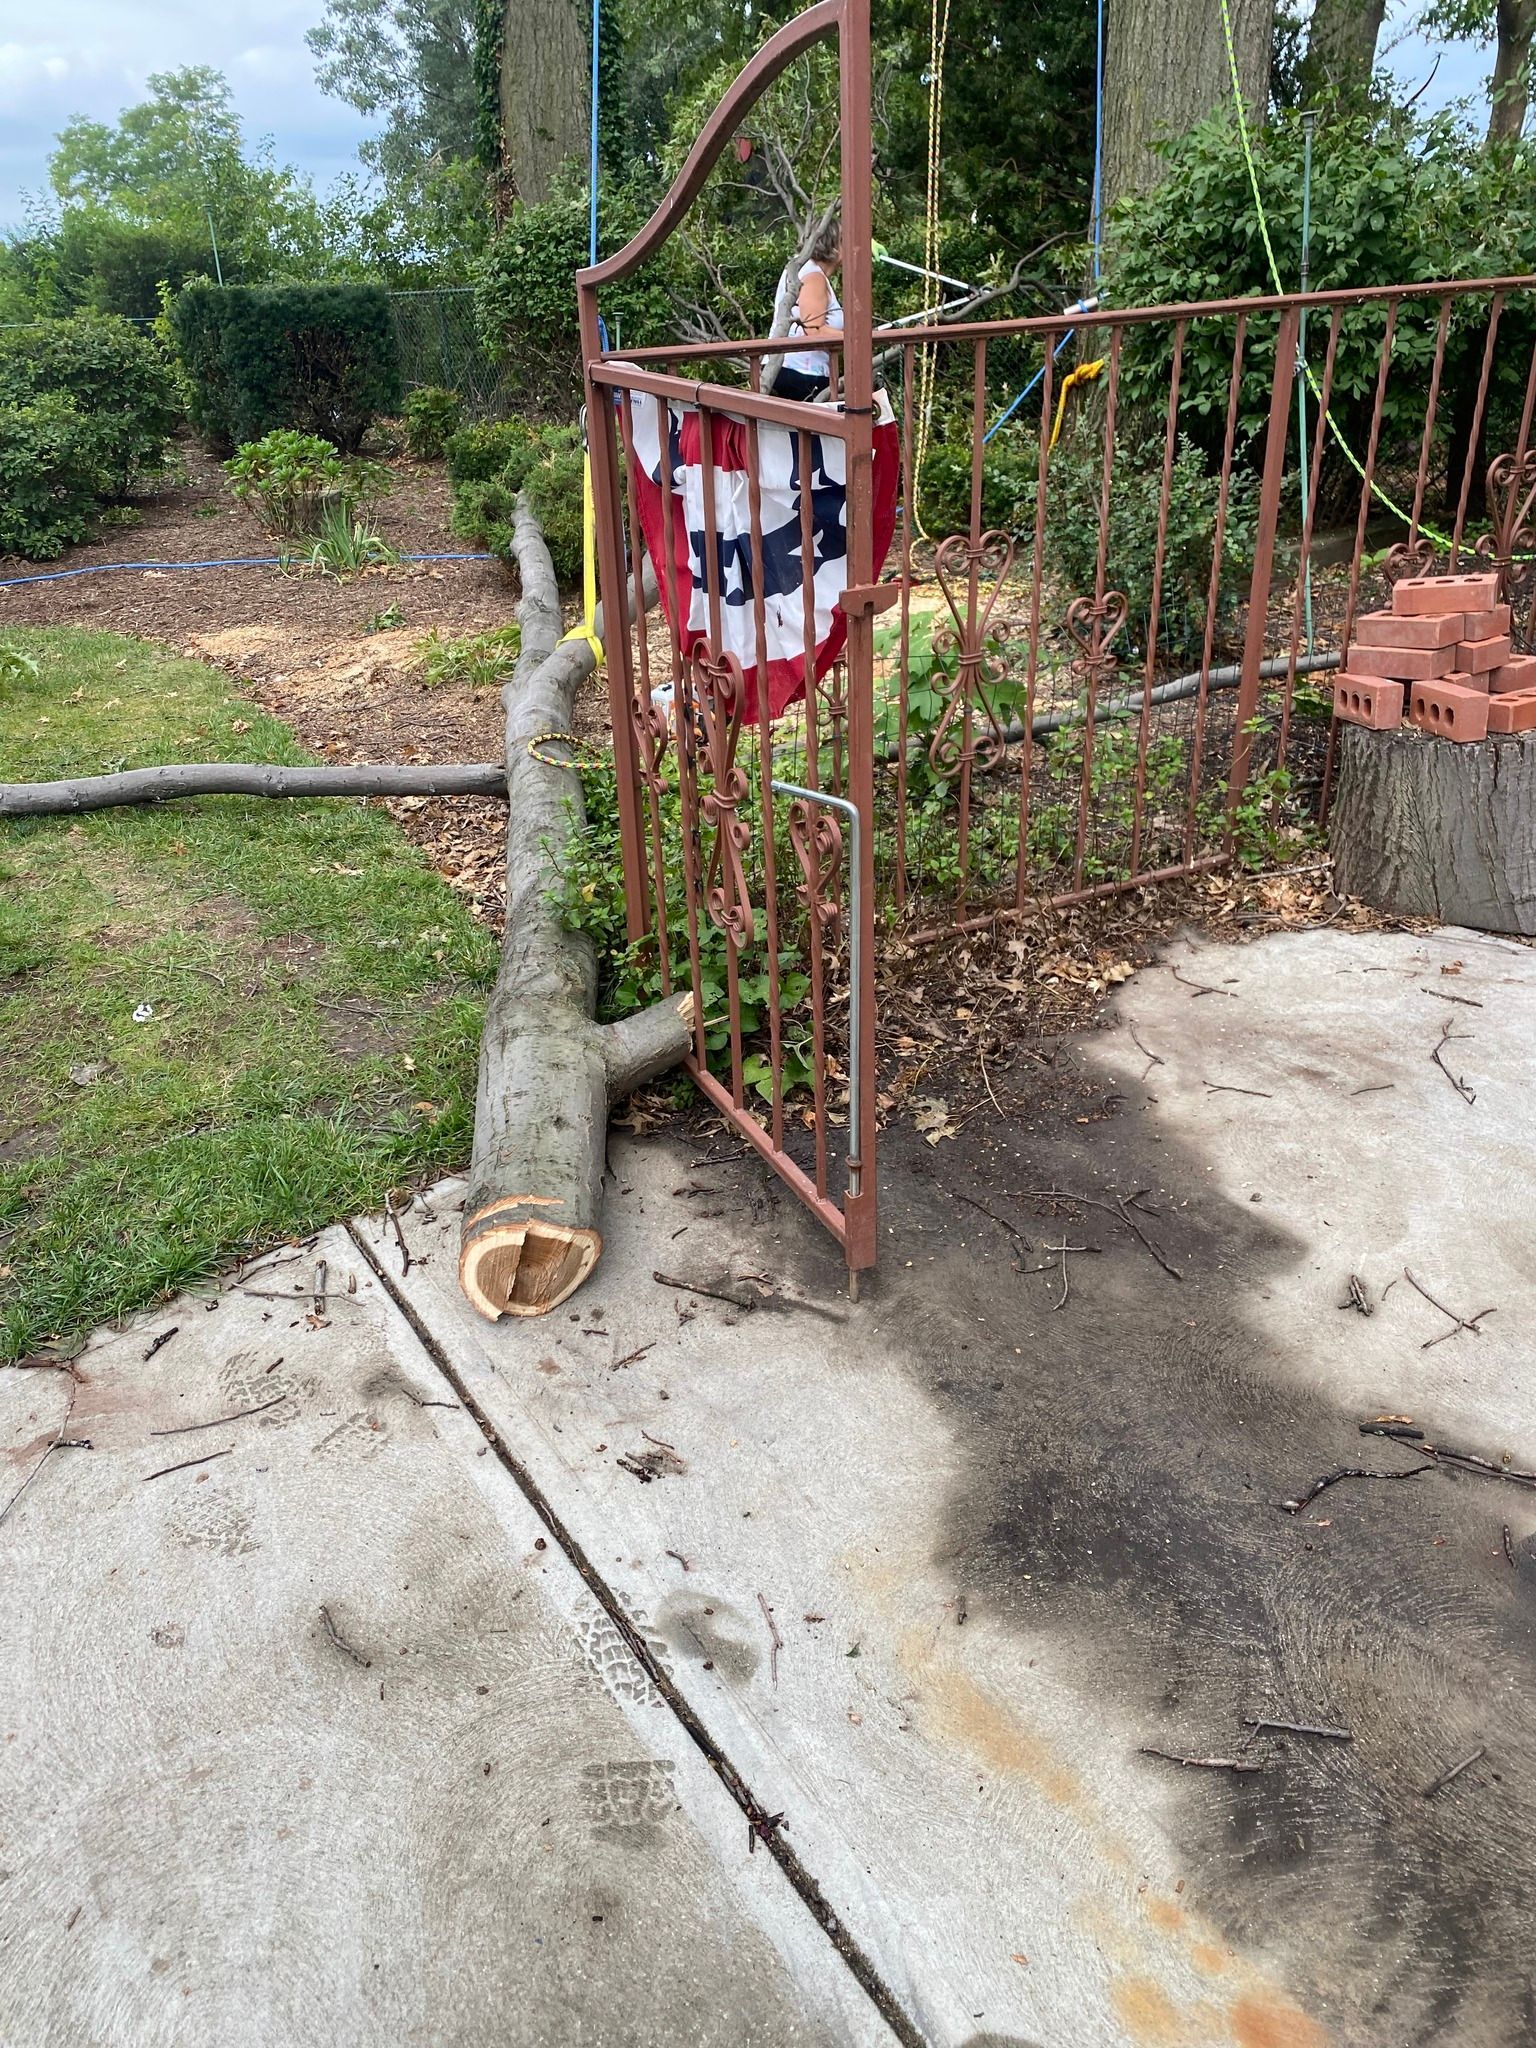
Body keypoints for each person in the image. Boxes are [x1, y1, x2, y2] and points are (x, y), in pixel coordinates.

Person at [775, 221, 843, 401]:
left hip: (794, 370)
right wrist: (854, 339)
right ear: (835, 245)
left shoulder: (802, 268)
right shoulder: (814, 277)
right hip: (803, 374)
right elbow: (813, 330)